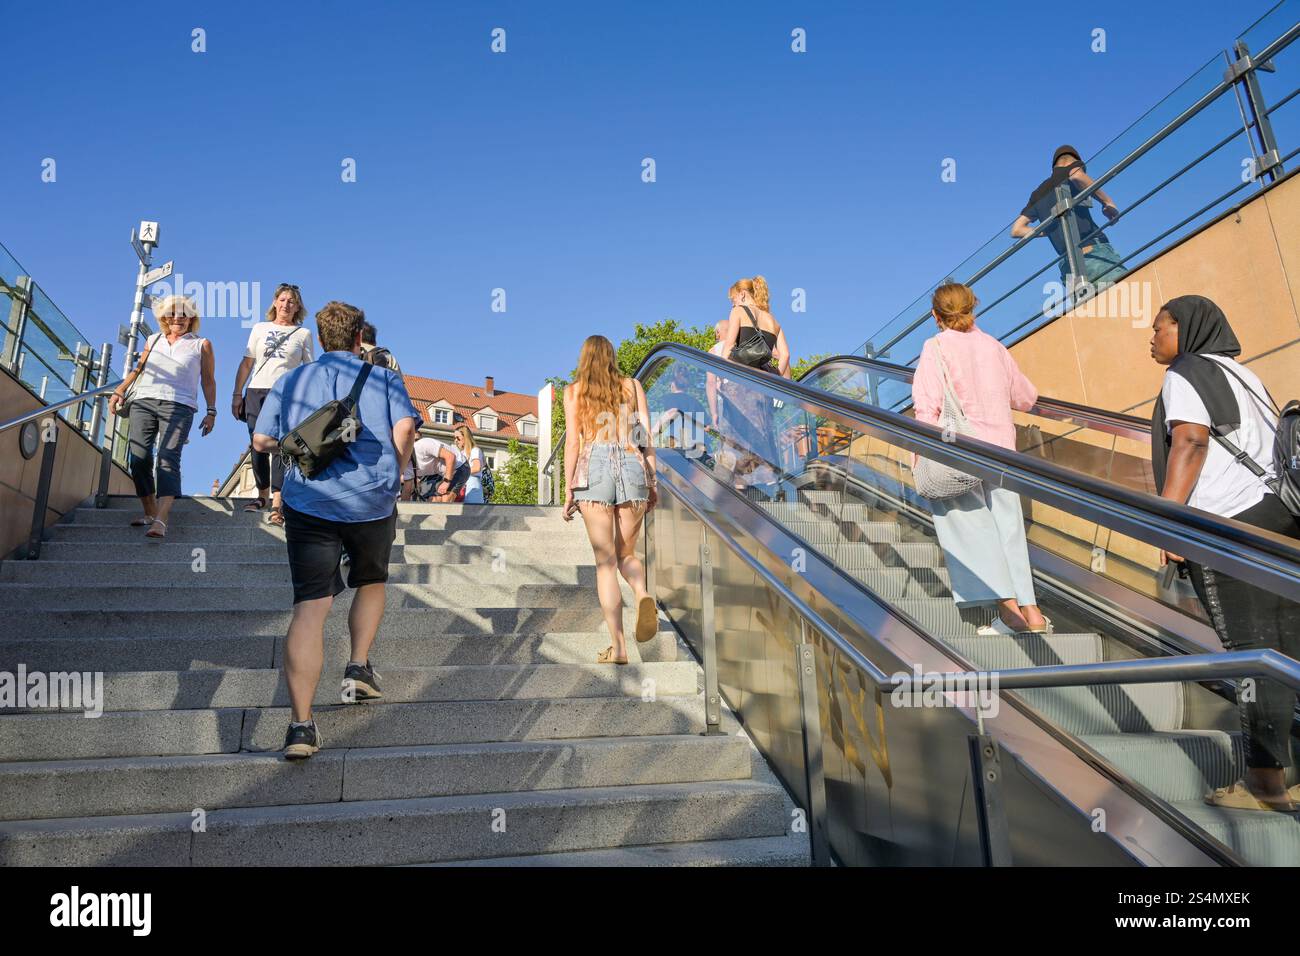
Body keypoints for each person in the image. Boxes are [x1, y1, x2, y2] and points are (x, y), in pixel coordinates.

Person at [1149, 294, 1300, 812]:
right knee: (1287, 650)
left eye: (1158, 327)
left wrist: (1167, 521)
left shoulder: (1184, 372)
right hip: (1278, 520)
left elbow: (1189, 441)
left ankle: (1264, 783)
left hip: (1228, 528)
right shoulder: (1243, 375)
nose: (1152, 338)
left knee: (1253, 654)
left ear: (1185, 329)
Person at [251, 300, 420, 760]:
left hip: (309, 502)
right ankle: (358, 667)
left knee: (310, 608)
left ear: (321, 337)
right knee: (371, 581)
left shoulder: (291, 379)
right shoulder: (383, 377)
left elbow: (261, 441)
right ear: (358, 335)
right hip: (371, 501)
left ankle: (301, 728)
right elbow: (405, 428)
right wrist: (395, 473)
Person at [911, 282, 1049, 636]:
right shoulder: (993, 347)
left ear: (934, 315)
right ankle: (1032, 614)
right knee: (1009, 529)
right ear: (973, 308)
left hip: (962, 451)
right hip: (1002, 451)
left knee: (972, 529)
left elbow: (926, 407)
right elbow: (1026, 397)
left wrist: (920, 456)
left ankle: (1010, 615)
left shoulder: (935, 347)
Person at [562, 335, 659, 664]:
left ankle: (618, 648)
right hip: (632, 465)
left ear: (584, 359)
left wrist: (568, 490)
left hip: (594, 468)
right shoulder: (632, 387)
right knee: (626, 554)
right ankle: (642, 593)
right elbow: (644, 437)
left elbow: (573, 444)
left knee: (605, 564)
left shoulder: (574, 392)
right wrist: (653, 479)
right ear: (612, 357)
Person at [108, 295, 217, 540]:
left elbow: (208, 380)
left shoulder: (202, 344)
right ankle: (149, 510)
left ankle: (161, 518)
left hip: (180, 406)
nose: (177, 318)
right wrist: (119, 390)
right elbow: (139, 370)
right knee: (139, 458)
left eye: (183, 314)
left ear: (191, 318)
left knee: (167, 458)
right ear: (164, 318)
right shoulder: (153, 339)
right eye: (172, 313)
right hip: (143, 402)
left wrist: (211, 411)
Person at [232, 283, 314, 526]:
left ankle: (278, 502)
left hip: (286, 394)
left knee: (280, 444)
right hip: (257, 390)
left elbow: (309, 370)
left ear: (297, 306)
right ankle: (261, 495)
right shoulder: (260, 328)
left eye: (291, 301)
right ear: (275, 302)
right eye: (282, 299)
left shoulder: (303, 334)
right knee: (257, 444)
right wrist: (237, 394)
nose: (286, 305)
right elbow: (247, 363)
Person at [1011, 145, 1123, 290]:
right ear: (1073, 161)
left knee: (1093, 311)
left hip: (1068, 266)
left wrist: (1049, 230)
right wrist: (1108, 202)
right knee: (1129, 300)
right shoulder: (1072, 167)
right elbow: (1077, 176)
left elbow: (1017, 230)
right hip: (1093, 252)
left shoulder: (1037, 194)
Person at [716, 276, 790, 495]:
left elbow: (728, 349)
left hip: (740, 386)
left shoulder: (738, 312)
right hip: (762, 388)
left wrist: (721, 376)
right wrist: (771, 376)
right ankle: (770, 487)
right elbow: (785, 355)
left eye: (733, 299)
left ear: (742, 294)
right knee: (762, 435)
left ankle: (740, 492)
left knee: (736, 438)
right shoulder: (773, 320)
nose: (733, 304)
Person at [401, 435, 467, 503]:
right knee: (433, 500)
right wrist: (402, 509)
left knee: (445, 499)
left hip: (460, 466)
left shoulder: (422, 445)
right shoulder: (406, 465)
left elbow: (451, 457)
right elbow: (407, 490)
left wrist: (446, 481)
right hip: (443, 472)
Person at [453, 424, 488, 504]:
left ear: (465, 437)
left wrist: (458, 473)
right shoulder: (462, 453)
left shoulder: (475, 450)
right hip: (463, 485)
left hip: (472, 485)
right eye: (454, 438)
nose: (455, 440)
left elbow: (476, 467)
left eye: (458, 438)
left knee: (471, 513)